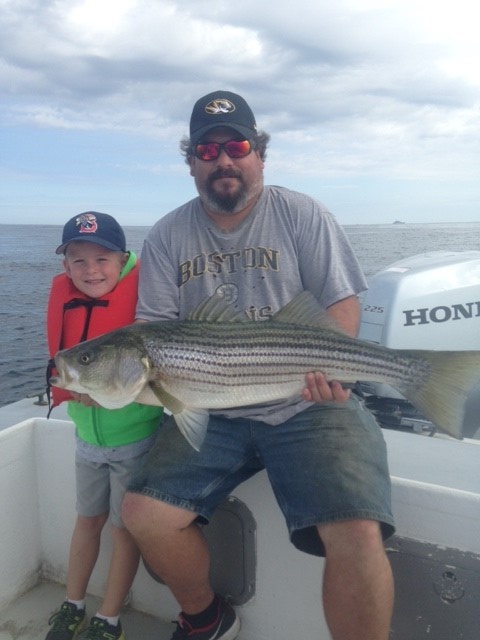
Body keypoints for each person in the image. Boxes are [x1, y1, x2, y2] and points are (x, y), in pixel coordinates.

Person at [121, 91, 395, 640]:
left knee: (358, 530)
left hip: (306, 400)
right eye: (207, 149)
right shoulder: (168, 234)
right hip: (208, 405)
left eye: (236, 145)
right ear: (192, 163)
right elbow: (152, 333)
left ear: (259, 154)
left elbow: (341, 302)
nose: (223, 159)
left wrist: (333, 370)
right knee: (143, 514)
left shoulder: (302, 213)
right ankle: (207, 617)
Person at [45, 212, 163, 640]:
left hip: (135, 438)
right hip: (86, 437)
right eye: (79, 261)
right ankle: (72, 603)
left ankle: (108, 618)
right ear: (65, 267)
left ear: (122, 259)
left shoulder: (145, 298)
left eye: (102, 259)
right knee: (87, 521)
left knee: (122, 529)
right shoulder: (66, 296)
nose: (91, 270)